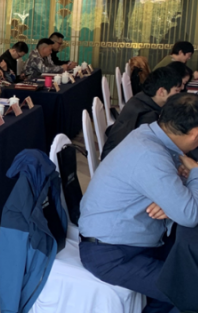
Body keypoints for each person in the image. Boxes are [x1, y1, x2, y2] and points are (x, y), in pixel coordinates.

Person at [78, 93, 198, 313]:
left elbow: (181, 204)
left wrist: (174, 198)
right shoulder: (149, 154)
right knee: (189, 292)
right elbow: (190, 215)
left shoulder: (150, 134)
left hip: (135, 240)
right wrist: (195, 173)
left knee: (188, 269)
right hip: (112, 254)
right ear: (195, 134)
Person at [101, 67, 183, 160]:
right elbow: (151, 151)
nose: (179, 95)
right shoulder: (148, 116)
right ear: (161, 91)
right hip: (120, 160)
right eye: (177, 91)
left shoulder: (142, 98)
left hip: (115, 155)